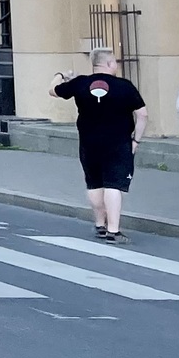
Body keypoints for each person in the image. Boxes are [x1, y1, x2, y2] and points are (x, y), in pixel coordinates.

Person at [52, 48, 147, 242]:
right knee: (113, 184)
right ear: (110, 64)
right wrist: (136, 140)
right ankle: (113, 230)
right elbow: (143, 114)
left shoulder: (80, 83)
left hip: (89, 142)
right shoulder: (125, 86)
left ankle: (100, 225)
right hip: (118, 142)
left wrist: (60, 76)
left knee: (94, 183)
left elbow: (52, 90)